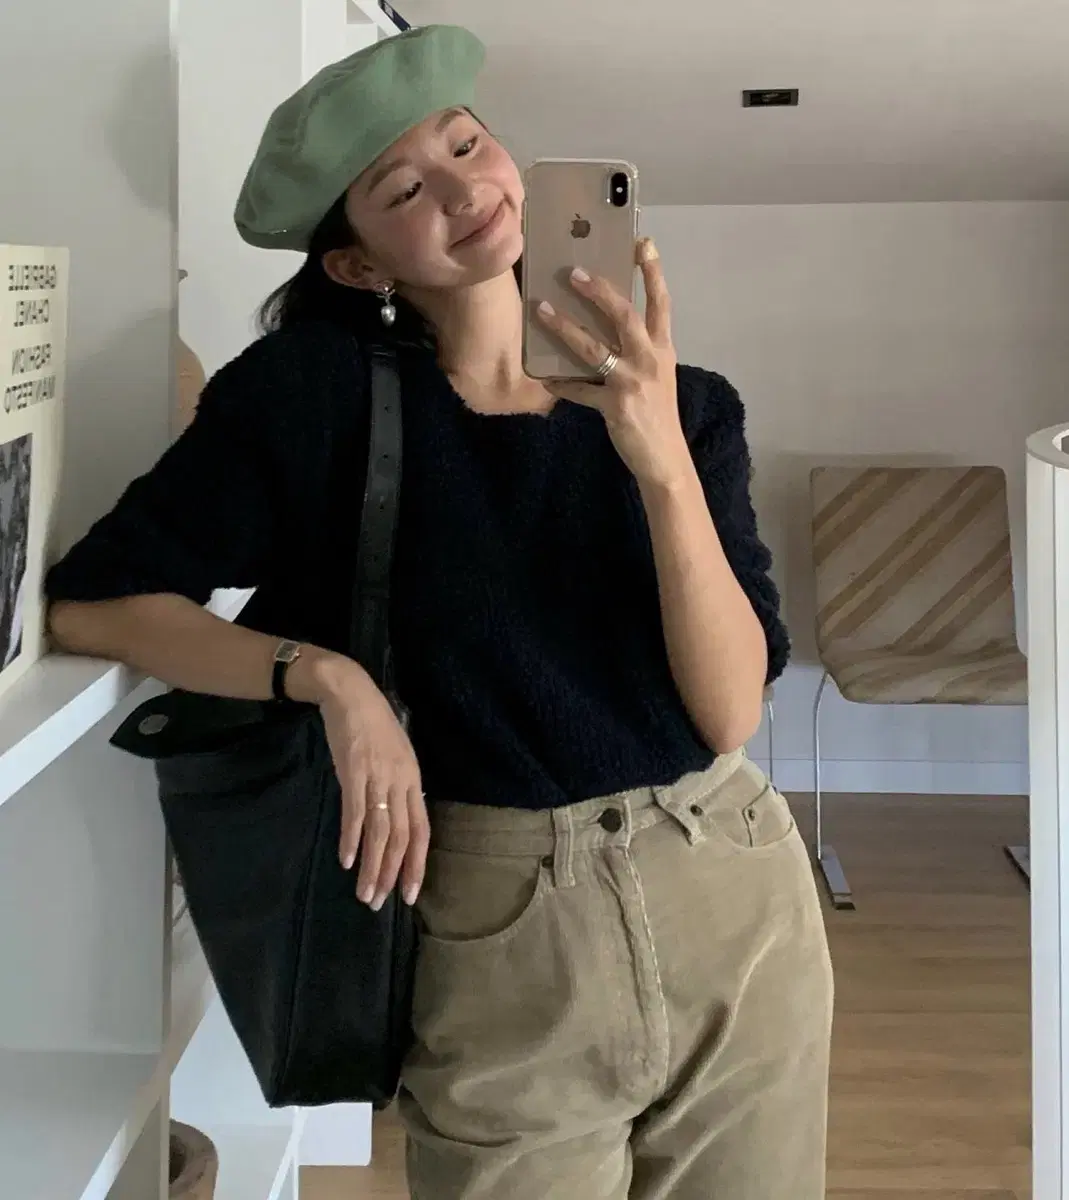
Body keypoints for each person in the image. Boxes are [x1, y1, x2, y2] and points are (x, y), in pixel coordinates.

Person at [44, 24, 833, 1200]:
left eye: (466, 145)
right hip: (499, 923)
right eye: (405, 188)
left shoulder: (691, 406)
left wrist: (660, 456)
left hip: (732, 887)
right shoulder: (311, 401)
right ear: (358, 263)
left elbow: (726, 714)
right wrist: (324, 676)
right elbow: (94, 605)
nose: (466, 191)